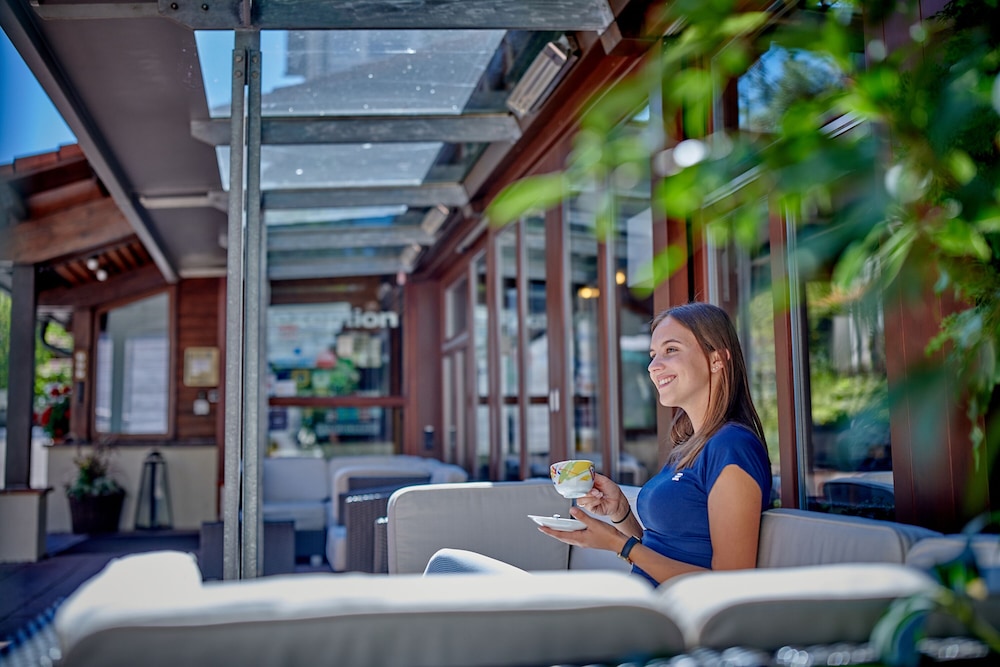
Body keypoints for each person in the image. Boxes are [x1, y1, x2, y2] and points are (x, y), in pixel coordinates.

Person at [537, 302, 772, 586]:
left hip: (677, 611)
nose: (653, 366)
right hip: (647, 603)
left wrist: (619, 544)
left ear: (717, 360)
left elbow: (730, 584)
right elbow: (660, 552)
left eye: (671, 350)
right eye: (653, 355)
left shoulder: (732, 447)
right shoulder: (690, 447)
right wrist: (619, 511)